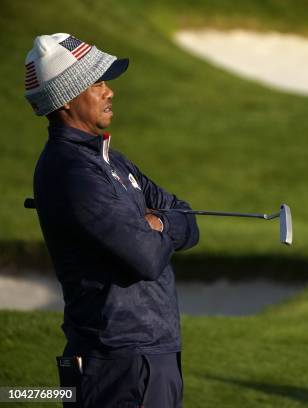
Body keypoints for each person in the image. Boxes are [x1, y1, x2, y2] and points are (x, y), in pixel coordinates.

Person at [24, 33, 199, 407]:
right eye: (97, 82)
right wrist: (156, 226)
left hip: (146, 352)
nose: (110, 92)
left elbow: (187, 216)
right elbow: (147, 258)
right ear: (67, 98)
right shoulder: (72, 172)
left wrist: (160, 224)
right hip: (117, 360)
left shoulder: (110, 161)